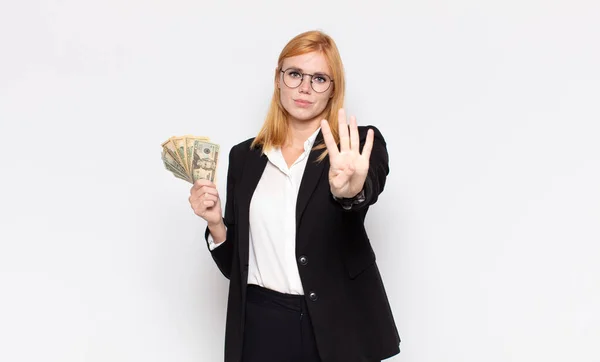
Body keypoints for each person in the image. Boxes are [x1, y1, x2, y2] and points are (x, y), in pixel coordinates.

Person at [188, 30, 401, 362]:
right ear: (278, 79)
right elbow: (237, 268)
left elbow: (366, 187)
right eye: (295, 74)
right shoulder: (244, 157)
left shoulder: (354, 146)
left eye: (319, 78)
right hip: (260, 322)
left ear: (333, 90)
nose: (304, 87)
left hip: (332, 326)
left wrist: (350, 191)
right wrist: (216, 224)